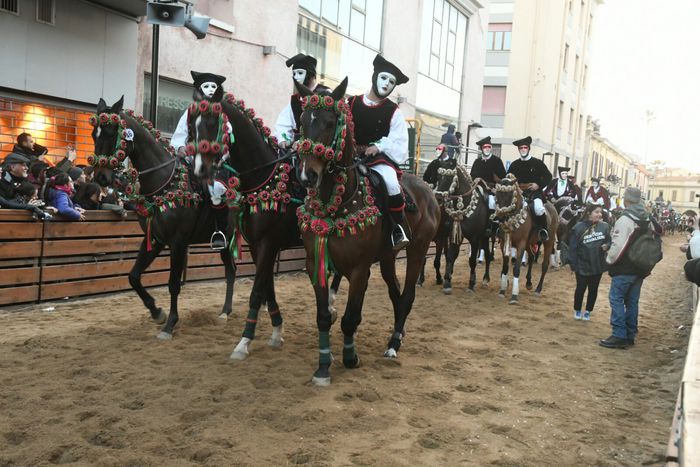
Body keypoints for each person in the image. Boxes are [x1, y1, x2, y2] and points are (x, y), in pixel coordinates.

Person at [348, 54, 410, 250]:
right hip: (349, 157)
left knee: (391, 183)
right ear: (374, 77)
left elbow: (399, 143)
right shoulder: (351, 103)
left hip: (377, 159)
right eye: (384, 78)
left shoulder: (394, 111)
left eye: (392, 82)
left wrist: (379, 147)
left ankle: (396, 229)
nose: (387, 84)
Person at [599, 187, 662, 349]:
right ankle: (630, 334)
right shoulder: (648, 217)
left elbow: (618, 245)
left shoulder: (626, 218)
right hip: (641, 267)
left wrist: (609, 260)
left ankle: (619, 334)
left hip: (624, 267)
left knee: (616, 299)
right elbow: (658, 233)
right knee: (632, 301)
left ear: (626, 200)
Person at [274, 53, 329, 148]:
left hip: (320, 151)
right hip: (297, 151)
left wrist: (303, 142)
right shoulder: (295, 100)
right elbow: (283, 124)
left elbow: (327, 127)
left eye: (300, 73)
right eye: (294, 74)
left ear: (311, 74)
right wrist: (284, 140)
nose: (296, 77)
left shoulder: (326, 94)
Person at [568, 204, 611, 321]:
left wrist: (607, 245)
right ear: (589, 213)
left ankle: (588, 311)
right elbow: (572, 247)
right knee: (580, 288)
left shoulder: (605, 227)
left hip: (597, 264)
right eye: (596, 212)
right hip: (582, 264)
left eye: (600, 212)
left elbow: (609, 240)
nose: (599, 214)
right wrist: (573, 264)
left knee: (593, 289)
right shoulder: (578, 227)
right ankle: (577, 309)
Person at [505, 136, 553, 241]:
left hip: (534, 193)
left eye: (525, 147)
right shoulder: (514, 164)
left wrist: (538, 185)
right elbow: (508, 178)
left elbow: (548, 176)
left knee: (539, 208)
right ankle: (503, 230)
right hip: (518, 193)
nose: (523, 149)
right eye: (521, 148)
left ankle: (542, 230)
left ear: (528, 148)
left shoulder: (537, 163)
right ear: (518, 150)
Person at [170, 71, 227, 157]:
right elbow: (180, 133)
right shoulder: (191, 111)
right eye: (206, 86)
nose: (211, 89)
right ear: (200, 89)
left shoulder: (223, 112)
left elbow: (229, 133)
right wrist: (180, 147)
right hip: (193, 158)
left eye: (214, 86)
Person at [0, 153, 52, 219]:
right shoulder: (2, 181)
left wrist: (43, 207)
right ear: (12, 167)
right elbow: (6, 203)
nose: (26, 168)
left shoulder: (21, 180)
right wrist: (28, 205)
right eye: (23, 165)